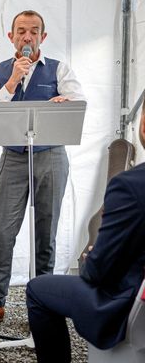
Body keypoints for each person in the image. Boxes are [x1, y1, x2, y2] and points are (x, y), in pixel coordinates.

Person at [0, 10, 85, 324]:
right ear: (11, 36)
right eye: (21, 31)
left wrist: (67, 102)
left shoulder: (59, 69)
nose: (27, 37)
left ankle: (45, 301)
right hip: (13, 157)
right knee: (3, 233)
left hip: (50, 155)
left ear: (43, 37)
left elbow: (78, 102)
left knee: (45, 233)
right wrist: (11, 82)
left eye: (34, 32)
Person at [26, 97, 145, 361]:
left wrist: (90, 256)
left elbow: (98, 273)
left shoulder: (130, 185)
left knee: (37, 288)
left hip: (127, 305)